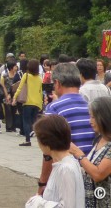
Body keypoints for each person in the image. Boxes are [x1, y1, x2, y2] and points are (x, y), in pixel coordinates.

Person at [40, 62, 94, 195]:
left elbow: (48, 151)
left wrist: (43, 182)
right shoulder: (91, 107)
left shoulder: (54, 108)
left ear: (57, 83)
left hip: (66, 175)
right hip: (90, 172)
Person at [69, 96, 111, 208]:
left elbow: (98, 174)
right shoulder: (99, 139)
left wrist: (78, 153)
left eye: (93, 117)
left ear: (104, 118)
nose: (90, 121)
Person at [33, 114, 83, 208]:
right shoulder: (64, 164)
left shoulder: (65, 169)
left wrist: (38, 202)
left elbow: (68, 205)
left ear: (45, 142)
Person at [12, 58, 43, 146]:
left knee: (26, 121)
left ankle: (27, 140)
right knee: (34, 121)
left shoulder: (26, 76)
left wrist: (15, 98)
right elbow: (40, 92)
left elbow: (20, 88)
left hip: (28, 102)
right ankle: (38, 138)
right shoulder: (40, 78)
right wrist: (41, 104)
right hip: (36, 102)